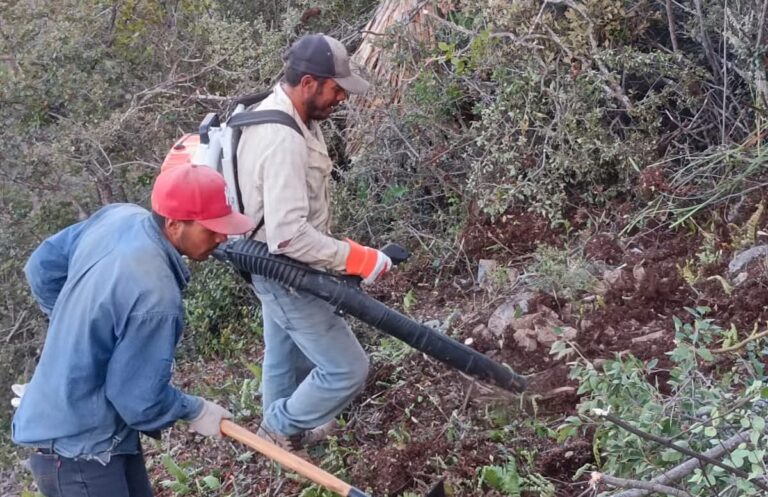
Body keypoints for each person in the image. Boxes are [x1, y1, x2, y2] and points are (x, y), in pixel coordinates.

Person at [12, 163, 254, 497]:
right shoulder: (156, 296)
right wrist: (195, 410)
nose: (222, 237)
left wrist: (74, 336)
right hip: (80, 454)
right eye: (211, 228)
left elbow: (42, 268)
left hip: (103, 437)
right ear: (174, 224)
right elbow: (138, 400)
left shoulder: (119, 218)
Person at [236, 34, 392, 454]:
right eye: (336, 89)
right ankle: (279, 428)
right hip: (283, 269)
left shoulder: (289, 116)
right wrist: (356, 258)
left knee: (284, 354)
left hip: (270, 265)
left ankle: (281, 442)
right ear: (308, 83)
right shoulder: (282, 138)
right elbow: (288, 234)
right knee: (347, 369)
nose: (342, 98)